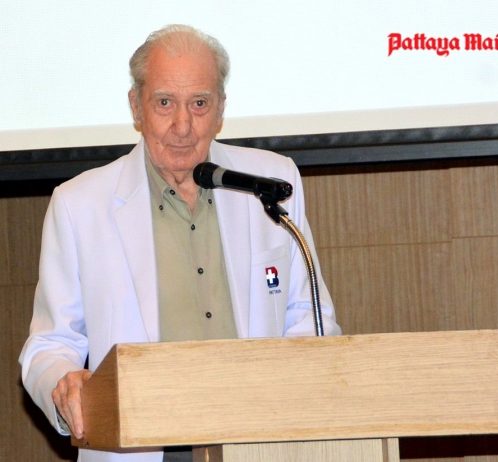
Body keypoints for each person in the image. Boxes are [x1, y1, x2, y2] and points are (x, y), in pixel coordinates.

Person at [19, 24, 341, 462]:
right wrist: (63, 382)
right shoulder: (80, 204)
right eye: (165, 103)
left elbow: (309, 317)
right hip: (142, 448)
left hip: (258, 441)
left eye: (200, 103)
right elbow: (49, 344)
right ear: (136, 106)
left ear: (221, 108)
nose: (183, 126)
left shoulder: (271, 183)